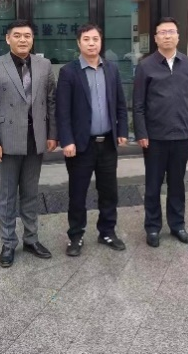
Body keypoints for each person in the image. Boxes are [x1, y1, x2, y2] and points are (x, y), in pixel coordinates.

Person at [0, 20, 58, 268]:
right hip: (7, 140)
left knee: (31, 193)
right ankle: (8, 243)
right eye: (17, 35)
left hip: (35, 138)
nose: (23, 39)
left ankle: (31, 239)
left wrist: (52, 134)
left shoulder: (44, 65)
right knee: (7, 195)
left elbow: (51, 101)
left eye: (27, 35)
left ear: (33, 39)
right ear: (8, 39)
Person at [56, 24, 129, 257]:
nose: (91, 43)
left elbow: (120, 103)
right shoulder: (69, 72)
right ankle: (75, 236)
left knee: (109, 192)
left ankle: (107, 231)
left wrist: (122, 130)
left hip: (107, 142)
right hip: (80, 146)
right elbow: (62, 111)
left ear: (101, 41)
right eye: (86, 39)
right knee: (78, 194)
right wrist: (66, 140)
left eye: (95, 39)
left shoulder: (112, 69)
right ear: (79, 43)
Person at [133, 17, 188, 248]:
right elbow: (138, 104)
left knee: (177, 184)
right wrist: (141, 133)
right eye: (163, 32)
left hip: (181, 135)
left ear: (178, 36)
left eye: (171, 31)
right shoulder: (145, 66)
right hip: (154, 138)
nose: (167, 36)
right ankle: (152, 227)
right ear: (156, 38)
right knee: (153, 185)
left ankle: (177, 225)